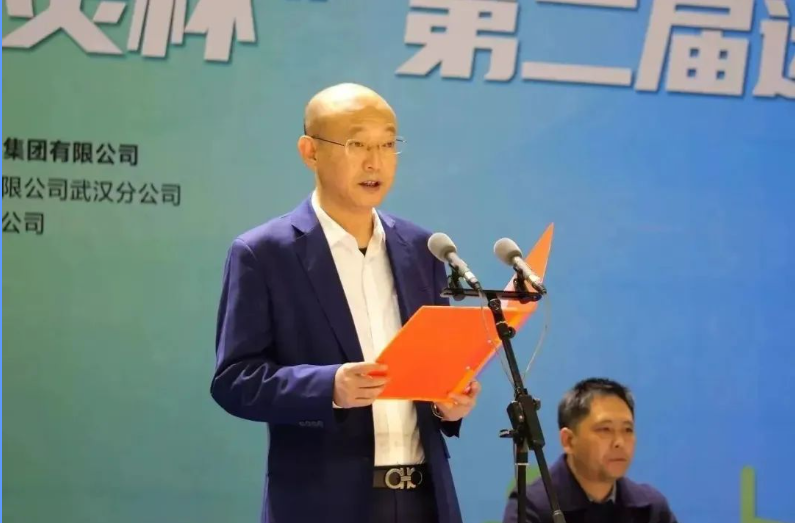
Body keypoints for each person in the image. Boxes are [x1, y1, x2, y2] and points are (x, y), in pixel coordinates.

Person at [211, 83, 481, 523]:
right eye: (357, 144)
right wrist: (329, 387)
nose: (375, 162)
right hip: (323, 502)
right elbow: (235, 380)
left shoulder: (422, 249)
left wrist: (446, 403)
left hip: (423, 498)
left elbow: (432, 374)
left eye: (387, 144)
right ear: (310, 151)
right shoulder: (264, 254)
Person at [502, 378, 678, 523]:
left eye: (627, 429)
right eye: (605, 429)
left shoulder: (650, 508)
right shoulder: (530, 508)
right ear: (568, 440)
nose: (619, 442)